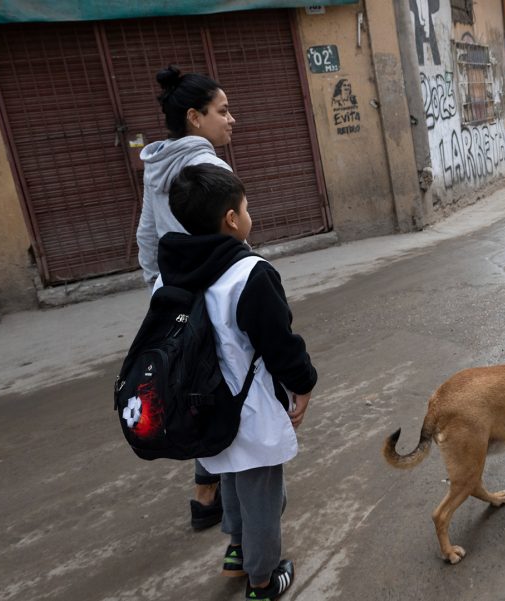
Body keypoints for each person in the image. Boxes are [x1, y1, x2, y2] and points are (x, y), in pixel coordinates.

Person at [161, 164, 317, 600]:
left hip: (200, 408)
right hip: (248, 409)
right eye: (246, 207)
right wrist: (303, 385)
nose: (249, 214)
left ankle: (236, 549)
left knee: (227, 475)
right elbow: (280, 344)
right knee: (263, 494)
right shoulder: (249, 274)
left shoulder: (168, 272)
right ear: (231, 218)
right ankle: (263, 579)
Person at [135, 65, 237, 529]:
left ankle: (204, 498)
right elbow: (231, 238)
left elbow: (147, 235)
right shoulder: (209, 165)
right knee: (224, 395)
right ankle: (233, 515)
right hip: (215, 298)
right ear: (195, 117)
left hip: (174, 297)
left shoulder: (157, 165)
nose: (230, 119)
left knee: (193, 390)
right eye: (222, 110)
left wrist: (162, 288)